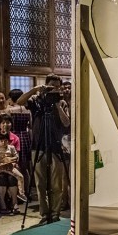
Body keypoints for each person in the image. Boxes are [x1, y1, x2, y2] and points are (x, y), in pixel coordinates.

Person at [17, 74, 70, 224]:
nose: (55, 89)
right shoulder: (36, 100)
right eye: (52, 86)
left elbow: (66, 123)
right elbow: (19, 101)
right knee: (40, 184)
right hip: (38, 145)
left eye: (58, 87)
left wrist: (58, 105)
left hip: (56, 146)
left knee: (56, 184)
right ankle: (44, 214)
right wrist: (35, 90)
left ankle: (55, 214)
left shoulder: (61, 102)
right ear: (45, 86)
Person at [0, 133, 23, 215]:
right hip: (0, 167)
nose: (3, 142)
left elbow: (16, 157)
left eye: (5, 140)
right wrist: (3, 161)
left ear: (8, 141)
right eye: (1, 141)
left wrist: (10, 160)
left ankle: (19, 197)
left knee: (17, 177)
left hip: (11, 167)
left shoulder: (12, 148)